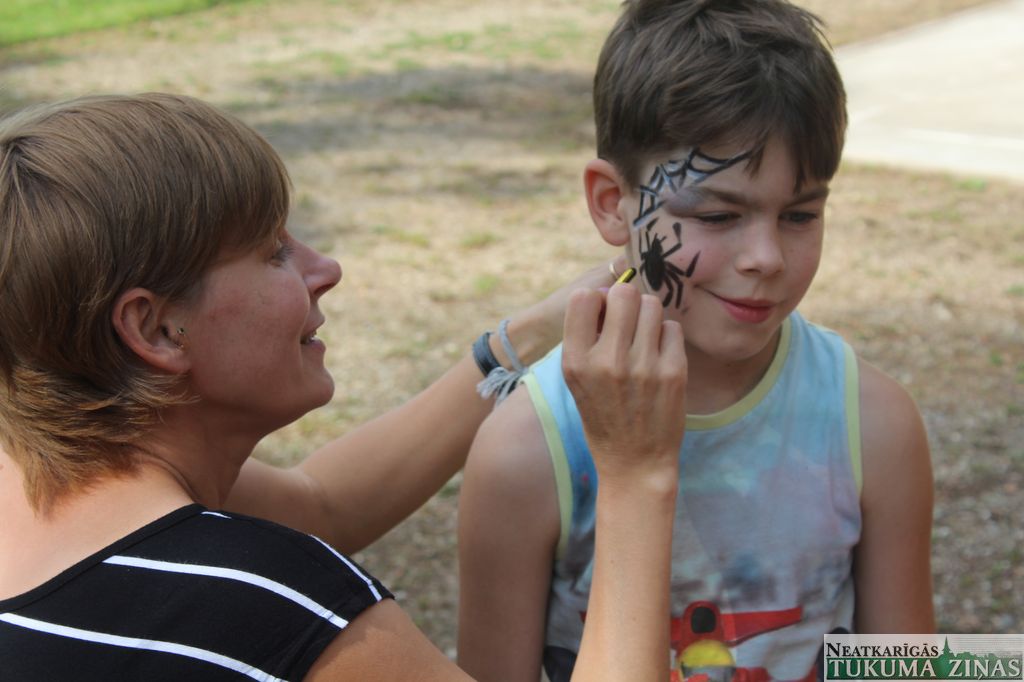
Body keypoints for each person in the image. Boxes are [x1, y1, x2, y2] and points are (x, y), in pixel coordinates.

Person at [0, 92, 688, 680]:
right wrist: (636, 472)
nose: (325, 268)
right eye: (274, 252)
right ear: (157, 329)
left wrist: (521, 339)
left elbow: (321, 504)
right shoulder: (270, 607)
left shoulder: (34, 481)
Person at [457, 1, 935, 681]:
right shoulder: (528, 449)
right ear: (611, 203)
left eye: (800, 215)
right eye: (717, 215)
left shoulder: (873, 423)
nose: (766, 257)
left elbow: (907, 667)